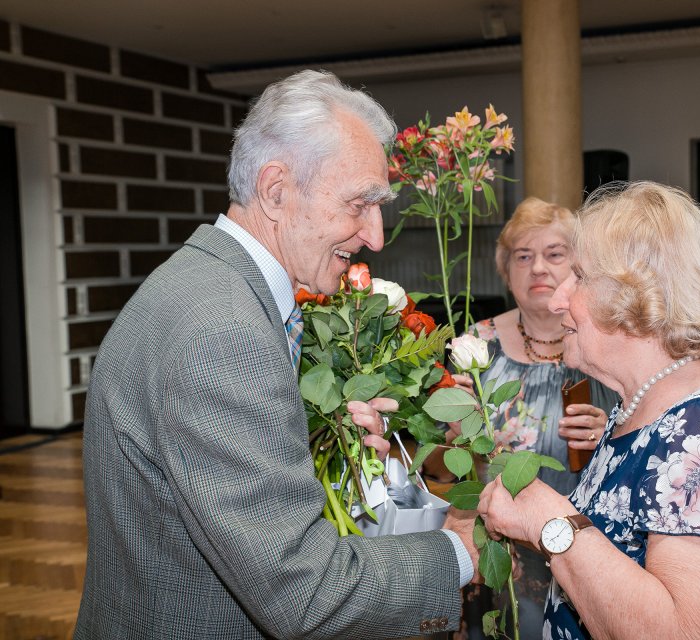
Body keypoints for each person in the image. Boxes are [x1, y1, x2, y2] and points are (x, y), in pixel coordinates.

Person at [76, 70, 478, 640]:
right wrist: (457, 552)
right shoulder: (223, 326)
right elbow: (303, 593)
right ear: (275, 189)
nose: (376, 236)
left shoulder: (205, 283)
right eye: (360, 204)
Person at [478, 182, 700, 639]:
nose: (557, 298)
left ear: (638, 293)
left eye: (580, 276)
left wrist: (551, 520)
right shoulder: (651, 401)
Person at [423, 197, 616, 639]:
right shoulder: (475, 345)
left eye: (554, 254)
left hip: (589, 536)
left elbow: (645, 431)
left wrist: (609, 432)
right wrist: (456, 436)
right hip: (498, 540)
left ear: (579, 266)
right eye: (523, 257)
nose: (538, 269)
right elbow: (433, 465)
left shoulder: (604, 341)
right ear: (505, 269)